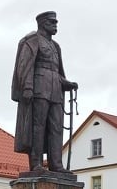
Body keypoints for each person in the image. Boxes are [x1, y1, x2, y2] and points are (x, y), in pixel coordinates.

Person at [12, 11, 78, 172]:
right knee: (38, 126)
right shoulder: (32, 41)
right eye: (52, 22)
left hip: (55, 90)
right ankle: (36, 163)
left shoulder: (56, 46)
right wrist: (27, 87)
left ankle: (56, 164)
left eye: (56, 22)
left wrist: (66, 83)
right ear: (43, 24)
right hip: (38, 89)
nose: (56, 25)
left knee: (56, 127)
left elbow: (56, 71)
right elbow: (24, 66)